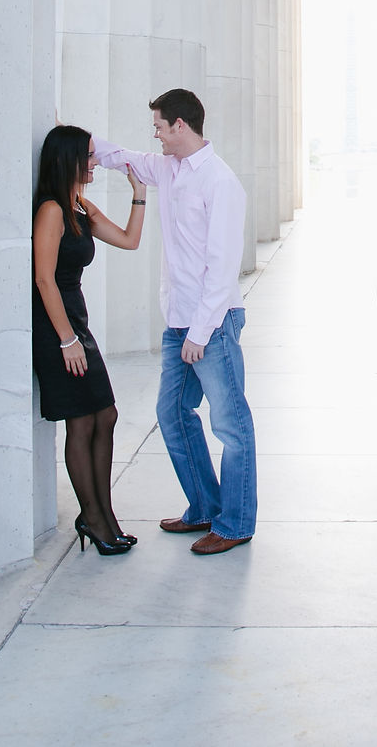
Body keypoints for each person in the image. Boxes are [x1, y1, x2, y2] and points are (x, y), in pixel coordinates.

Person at [93, 89, 256, 555]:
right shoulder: (168, 169)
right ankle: (205, 507)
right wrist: (82, 141)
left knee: (231, 424)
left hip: (213, 323)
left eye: (160, 128)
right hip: (179, 321)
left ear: (181, 126)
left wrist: (200, 333)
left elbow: (223, 267)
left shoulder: (221, 183)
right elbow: (121, 157)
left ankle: (236, 524)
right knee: (172, 413)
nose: (157, 136)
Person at [32, 124, 147, 557]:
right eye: (90, 156)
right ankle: (94, 519)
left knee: (107, 415)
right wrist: (66, 340)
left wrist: (138, 192)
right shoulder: (51, 211)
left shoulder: (79, 205)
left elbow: (129, 241)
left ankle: (103, 514)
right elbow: (43, 278)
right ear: (69, 160)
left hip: (76, 323)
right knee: (82, 420)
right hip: (57, 328)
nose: (96, 161)